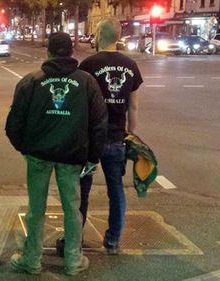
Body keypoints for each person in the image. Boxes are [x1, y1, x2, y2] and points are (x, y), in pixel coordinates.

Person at [6, 32, 108, 276]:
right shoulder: (86, 83)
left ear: (48, 51)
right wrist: (93, 157)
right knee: (72, 208)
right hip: (72, 157)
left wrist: (25, 147)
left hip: (38, 155)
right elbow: (99, 124)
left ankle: (31, 259)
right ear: (71, 50)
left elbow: (13, 123)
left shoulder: (31, 81)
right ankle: (73, 260)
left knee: (36, 209)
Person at [79, 17, 143, 255]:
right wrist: (131, 136)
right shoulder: (131, 66)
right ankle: (113, 239)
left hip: (90, 141)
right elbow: (133, 107)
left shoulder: (87, 65)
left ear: (98, 34)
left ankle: (76, 236)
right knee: (115, 189)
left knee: (82, 190)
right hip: (117, 138)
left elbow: (81, 106)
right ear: (118, 36)